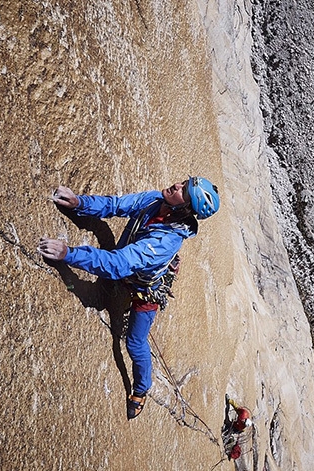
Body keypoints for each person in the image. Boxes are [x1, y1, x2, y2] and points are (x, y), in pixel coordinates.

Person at [37, 176, 220, 419]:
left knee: (134, 342)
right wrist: (80, 203)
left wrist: (68, 254)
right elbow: (116, 205)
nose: (176, 184)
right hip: (129, 269)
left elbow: (119, 264)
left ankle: (141, 389)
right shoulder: (155, 200)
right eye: (183, 182)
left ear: (185, 208)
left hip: (146, 291)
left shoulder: (165, 241)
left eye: (183, 190)